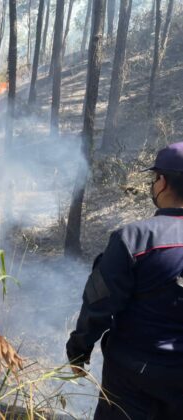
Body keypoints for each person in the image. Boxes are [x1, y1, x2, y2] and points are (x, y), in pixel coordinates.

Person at [66, 142, 183, 419]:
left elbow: (99, 304)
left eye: (154, 178)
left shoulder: (134, 239)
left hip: (133, 378)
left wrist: (78, 351)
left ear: (162, 182)